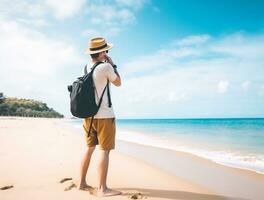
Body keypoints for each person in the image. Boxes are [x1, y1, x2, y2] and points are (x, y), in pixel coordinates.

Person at [79, 37, 121, 197]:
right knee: (105, 151)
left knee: (89, 149)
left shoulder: (85, 67)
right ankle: (102, 189)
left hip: (88, 116)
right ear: (102, 52)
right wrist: (113, 65)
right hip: (104, 116)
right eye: (106, 51)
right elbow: (118, 83)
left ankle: (82, 183)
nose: (107, 53)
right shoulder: (105, 68)